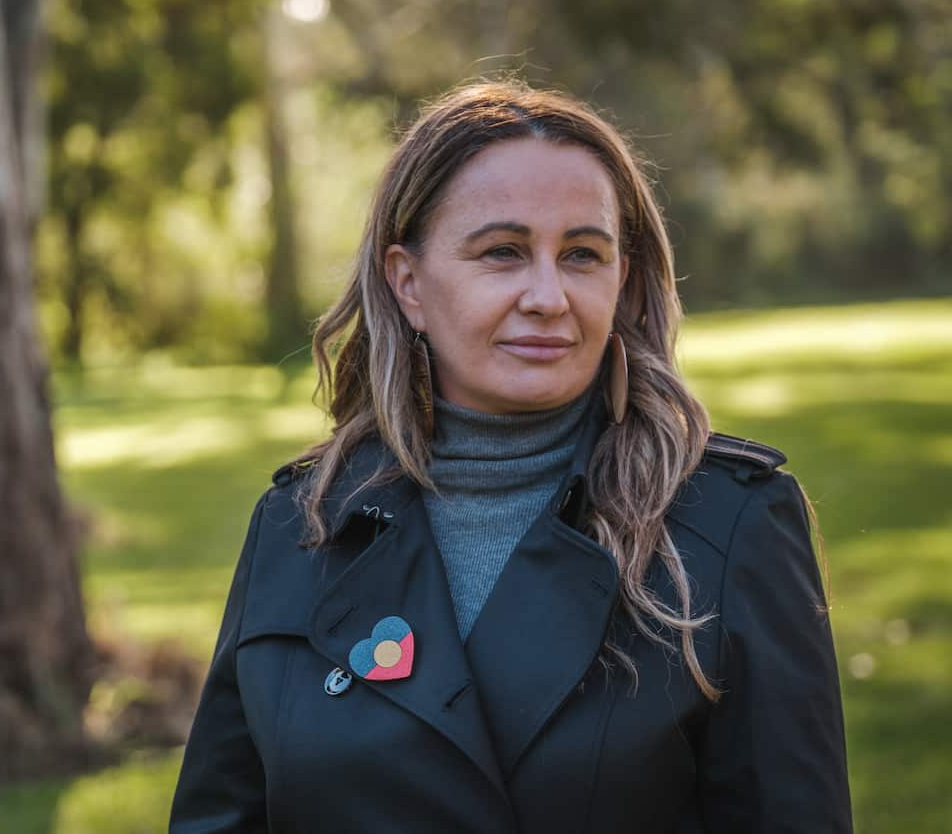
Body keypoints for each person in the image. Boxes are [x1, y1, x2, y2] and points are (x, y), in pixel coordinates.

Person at [168, 81, 852, 833]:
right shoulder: (301, 523)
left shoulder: (730, 525)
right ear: (409, 284)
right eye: (504, 252)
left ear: (622, 279)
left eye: (583, 254)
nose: (549, 295)